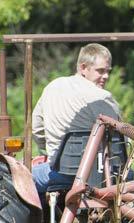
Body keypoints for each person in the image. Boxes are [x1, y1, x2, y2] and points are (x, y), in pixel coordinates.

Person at [31, 43, 121, 200]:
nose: (106, 76)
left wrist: (48, 153)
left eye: (108, 71)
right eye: (101, 71)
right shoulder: (103, 97)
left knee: (23, 178)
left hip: (60, 173)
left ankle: (39, 222)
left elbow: (37, 129)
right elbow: (120, 141)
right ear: (83, 68)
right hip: (102, 176)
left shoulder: (52, 87)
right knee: (131, 174)